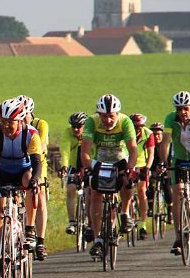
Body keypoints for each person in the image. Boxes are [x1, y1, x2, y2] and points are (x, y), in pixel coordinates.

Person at [0, 97, 43, 278]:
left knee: (31, 184)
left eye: (10, 122)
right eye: (3, 121)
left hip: (23, 171)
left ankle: (30, 229)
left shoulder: (31, 134)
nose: (6, 126)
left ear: (19, 120)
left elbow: (36, 162)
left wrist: (35, 180)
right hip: (1, 172)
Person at [80, 94, 137, 258]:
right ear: (99, 114)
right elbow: (85, 152)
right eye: (104, 116)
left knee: (127, 181)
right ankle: (98, 239)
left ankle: (125, 213)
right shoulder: (92, 121)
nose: (108, 120)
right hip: (100, 160)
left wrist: (129, 169)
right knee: (95, 194)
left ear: (117, 114)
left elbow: (133, 150)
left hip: (120, 158)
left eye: (111, 116)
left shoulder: (125, 121)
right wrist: (90, 167)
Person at [159, 91, 190, 255]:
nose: (182, 112)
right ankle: (179, 237)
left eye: (186, 108)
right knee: (178, 193)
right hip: (178, 159)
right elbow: (165, 141)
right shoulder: (170, 118)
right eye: (179, 109)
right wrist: (164, 162)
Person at [19, 95, 50, 260]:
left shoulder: (40, 124)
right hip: (21, 164)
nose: (23, 118)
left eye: (25, 115)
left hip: (38, 163)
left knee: (40, 196)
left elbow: (41, 146)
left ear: (31, 113)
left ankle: (41, 241)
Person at [126, 113, 155, 240]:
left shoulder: (148, 133)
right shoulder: (126, 132)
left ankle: (143, 225)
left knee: (142, 192)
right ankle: (127, 217)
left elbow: (151, 153)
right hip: (129, 164)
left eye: (140, 126)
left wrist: (148, 167)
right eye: (135, 126)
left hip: (142, 165)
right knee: (127, 191)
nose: (138, 129)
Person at [60, 112, 89, 236]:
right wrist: (64, 166)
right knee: (70, 190)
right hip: (74, 165)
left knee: (89, 191)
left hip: (88, 165)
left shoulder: (89, 133)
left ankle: (89, 220)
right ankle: (72, 222)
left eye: (79, 126)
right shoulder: (68, 133)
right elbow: (65, 149)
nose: (75, 129)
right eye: (73, 126)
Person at [146, 121, 173, 224]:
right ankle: (150, 207)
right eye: (154, 134)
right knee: (150, 183)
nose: (156, 136)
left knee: (167, 187)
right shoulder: (149, 145)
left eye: (158, 134)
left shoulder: (168, 145)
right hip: (153, 168)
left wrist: (166, 168)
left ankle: (170, 212)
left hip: (166, 168)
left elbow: (170, 159)